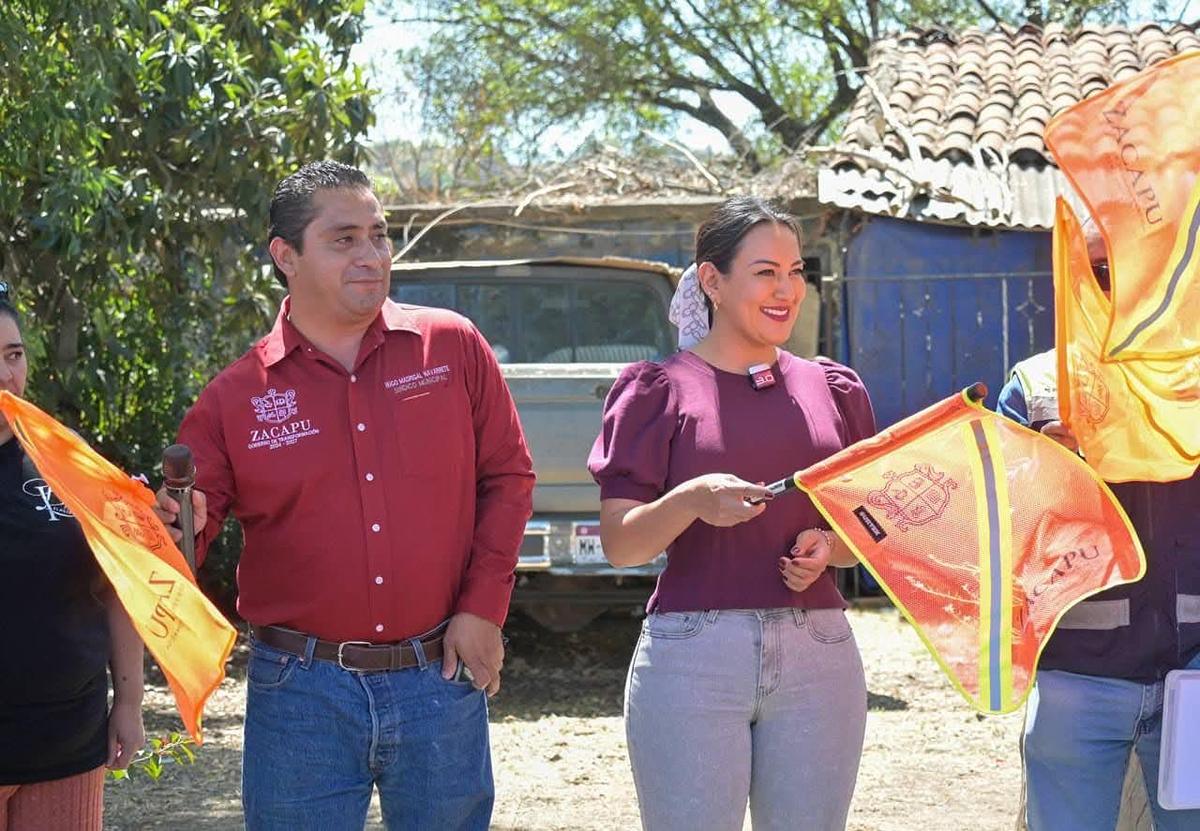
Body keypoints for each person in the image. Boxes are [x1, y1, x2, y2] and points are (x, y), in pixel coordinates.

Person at [153, 161, 535, 830]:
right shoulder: (234, 397)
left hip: (440, 673)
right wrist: (168, 522)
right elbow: (180, 542)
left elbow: (508, 476)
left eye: (379, 235)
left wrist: (484, 609)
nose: (372, 255)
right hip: (300, 692)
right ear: (285, 255)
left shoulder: (451, 346)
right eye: (344, 239)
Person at [587, 197, 876, 831]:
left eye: (797, 271)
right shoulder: (655, 390)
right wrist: (691, 500)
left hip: (819, 649)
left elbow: (866, 540)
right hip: (694, 654)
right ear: (712, 280)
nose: (786, 290)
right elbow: (621, 545)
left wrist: (830, 546)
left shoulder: (835, 389)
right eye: (765, 272)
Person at [997, 221, 1200, 831]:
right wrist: (1052, 468)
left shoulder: (1192, 382)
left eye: (1133, 267)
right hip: (1076, 679)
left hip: (1194, 672)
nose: (1112, 285)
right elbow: (998, 537)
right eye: (1096, 269)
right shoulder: (1036, 388)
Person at [0, 283, 145, 829]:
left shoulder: (70, 461)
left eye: (13, 356)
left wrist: (128, 703)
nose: (5, 377)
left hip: (68, 742)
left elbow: (115, 585)